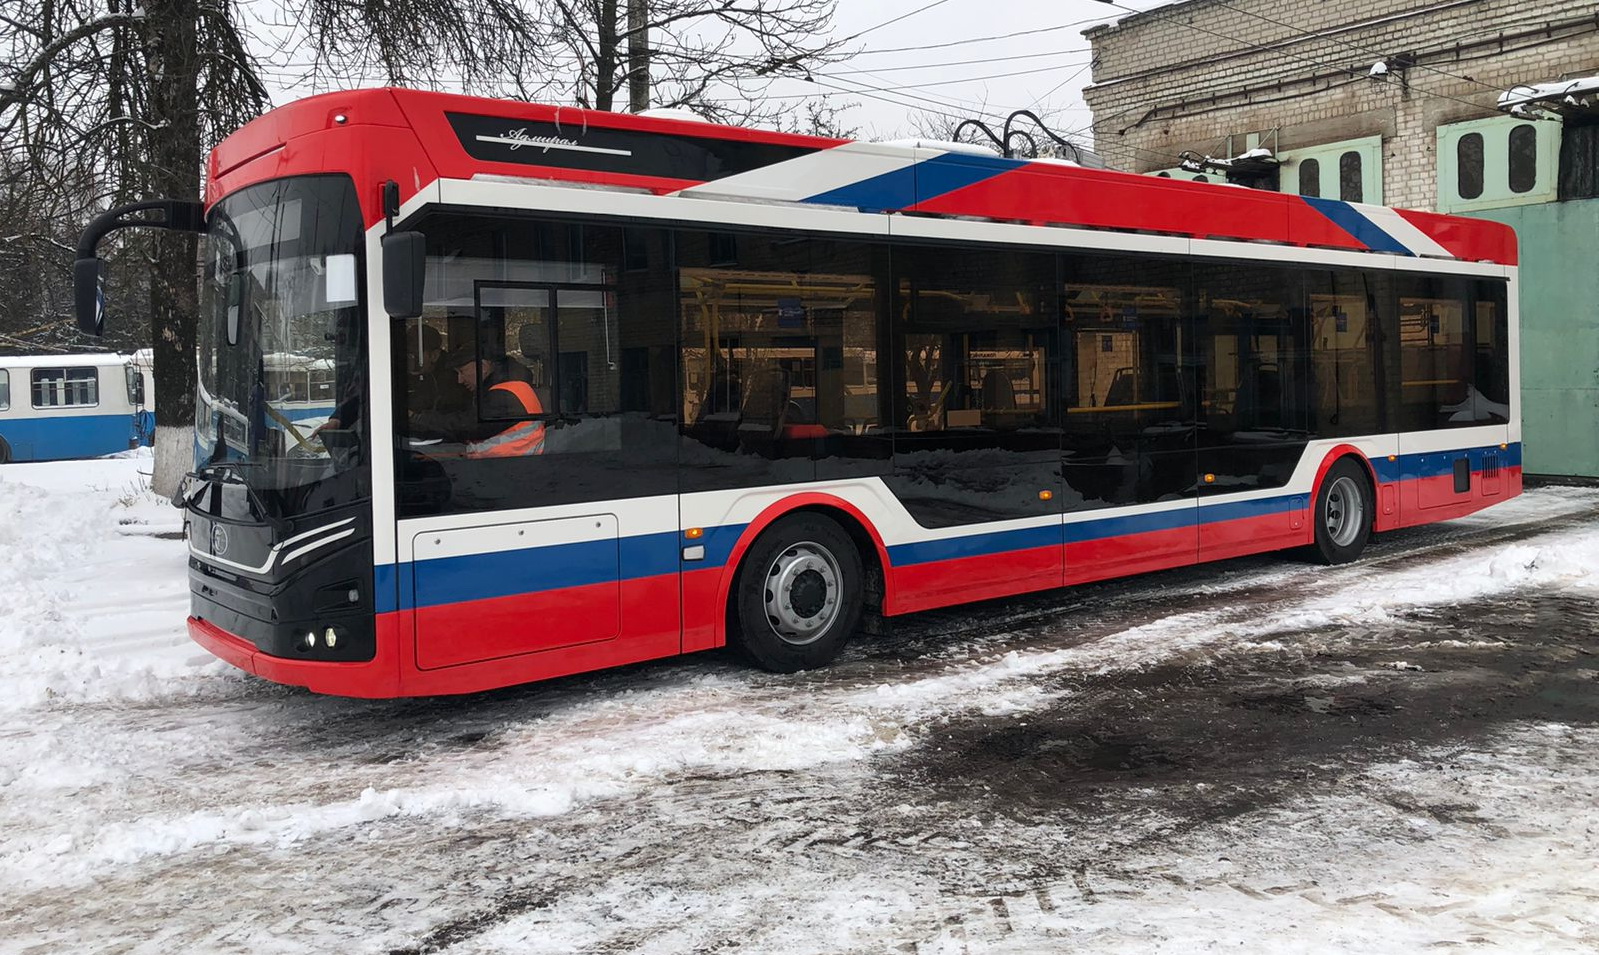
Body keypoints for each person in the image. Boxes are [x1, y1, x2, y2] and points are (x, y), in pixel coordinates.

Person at [409, 346, 546, 457]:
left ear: (483, 367)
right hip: (509, 460)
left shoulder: (503, 395)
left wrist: (416, 418)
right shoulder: (509, 385)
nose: (460, 380)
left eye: (462, 372)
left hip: (509, 466)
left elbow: (465, 427)